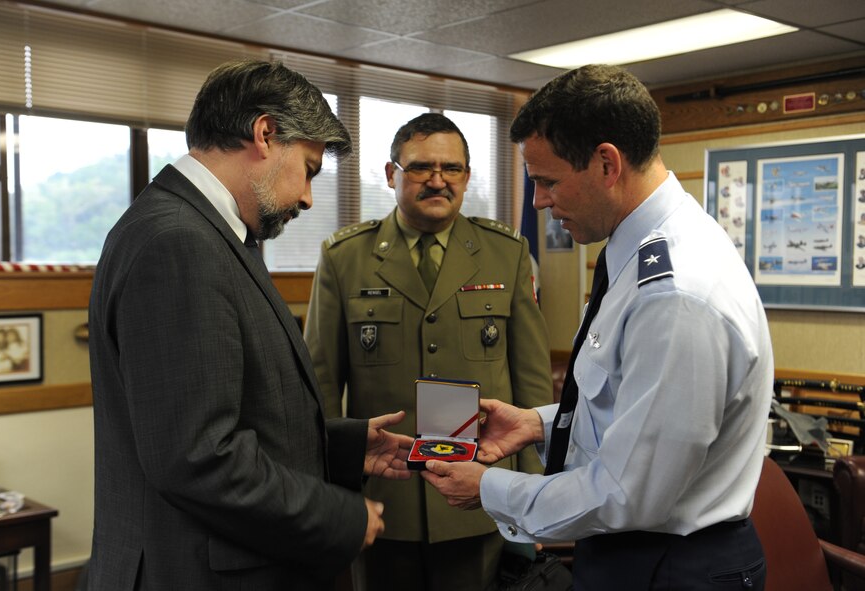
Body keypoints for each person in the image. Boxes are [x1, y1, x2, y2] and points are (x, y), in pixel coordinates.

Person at [422, 65, 774, 590]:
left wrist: (491, 487)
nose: (538, 200)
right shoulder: (640, 250)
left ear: (607, 164)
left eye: (547, 181)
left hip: (671, 565)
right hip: (637, 552)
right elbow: (631, 405)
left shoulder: (673, 296)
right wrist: (539, 424)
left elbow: (627, 491)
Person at [88, 59, 414, 590]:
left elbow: (230, 412)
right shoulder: (180, 243)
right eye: (308, 170)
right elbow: (197, 457)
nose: (309, 197)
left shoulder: (204, 233)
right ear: (264, 134)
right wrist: (340, 516)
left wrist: (341, 448)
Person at [304, 112, 553, 591]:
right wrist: (331, 498)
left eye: (452, 169)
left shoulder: (506, 252)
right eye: (421, 167)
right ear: (392, 174)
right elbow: (321, 387)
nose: (438, 180)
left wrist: (533, 498)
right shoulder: (345, 257)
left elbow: (533, 387)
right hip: (383, 504)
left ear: (467, 176)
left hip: (481, 495)